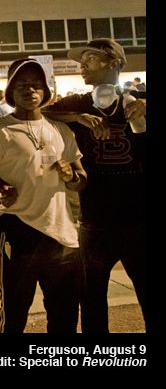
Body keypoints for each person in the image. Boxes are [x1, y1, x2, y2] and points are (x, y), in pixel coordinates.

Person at [40, 38, 147, 333]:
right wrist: (76, 117)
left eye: (90, 58)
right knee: (92, 303)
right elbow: (38, 112)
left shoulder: (140, 100)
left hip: (140, 222)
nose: (82, 65)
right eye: (81, 60)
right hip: (95, 222)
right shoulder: (79, 103)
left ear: (113, 63)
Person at [0, 59, 87, 333]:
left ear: (45, 91)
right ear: (10, 91)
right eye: (22, 85)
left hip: (63, 236)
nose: (30, 90)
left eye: (36, 85)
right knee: (14, 316)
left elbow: (81, 181)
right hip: (17, 233)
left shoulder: (61, 130)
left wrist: (70, 175)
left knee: (65, 318)